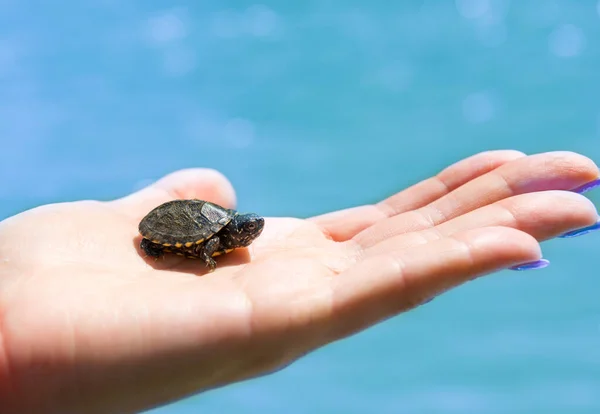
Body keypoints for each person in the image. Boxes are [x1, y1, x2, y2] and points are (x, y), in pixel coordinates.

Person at [0, 150, 598, 414]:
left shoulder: (231, 231)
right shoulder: (212, 241)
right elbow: (178, 236)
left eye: (246, 230)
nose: (249, 232)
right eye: (247, 230)